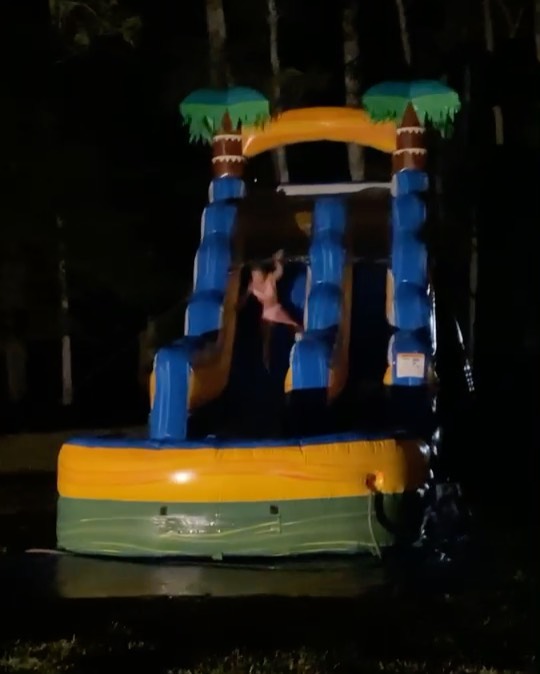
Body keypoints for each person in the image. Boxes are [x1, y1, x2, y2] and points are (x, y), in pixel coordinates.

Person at [246, 249, 303, 369]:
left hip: (276, 310)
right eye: (254, 275)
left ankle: (301, 348)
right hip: (266, 314)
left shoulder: (270, 279)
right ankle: (266, 362)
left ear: (263, 273)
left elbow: (279, 271)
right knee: (266, 341)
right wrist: (237, 305)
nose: (256, 278)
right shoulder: (252, 286)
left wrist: (277, 261)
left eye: (258, 274)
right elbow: (244, 298)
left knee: (295, 326)